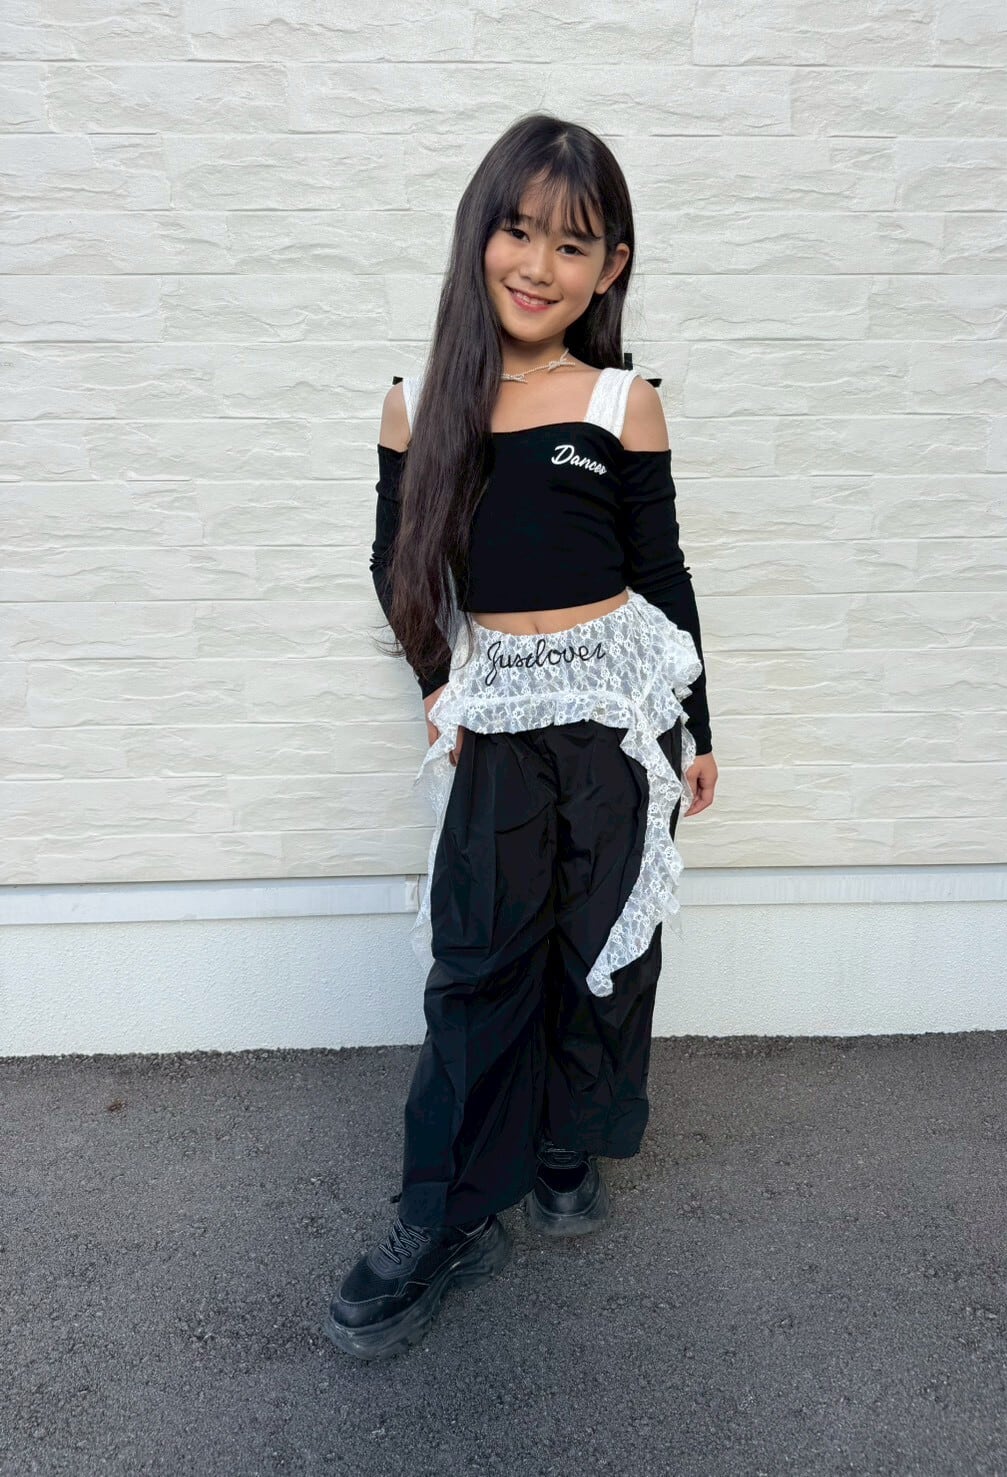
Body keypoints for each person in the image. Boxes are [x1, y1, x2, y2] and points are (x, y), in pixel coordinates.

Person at [324, 112, 718, 1360]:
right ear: (478, 236)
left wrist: (697, 729)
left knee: (601, 949)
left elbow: (661, 574)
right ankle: (442, 1213)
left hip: (616, 715)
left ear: (610, 268)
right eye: (518, 230)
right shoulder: (418, 403)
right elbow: (397, 565)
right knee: (479, 960)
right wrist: (441, 684)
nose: (539, 265)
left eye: (574, 243)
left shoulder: (621, 403)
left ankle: (562, 1149)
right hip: (501, 715)